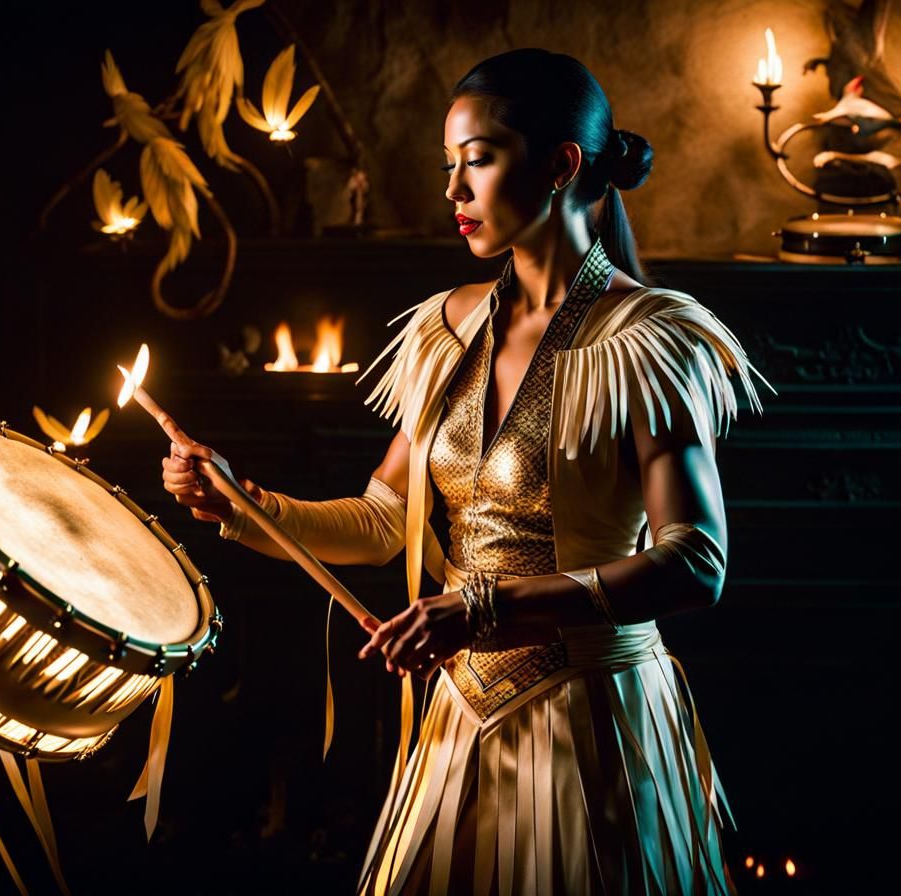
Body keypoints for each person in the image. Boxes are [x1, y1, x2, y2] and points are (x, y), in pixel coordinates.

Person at [162, 48, 766, 896]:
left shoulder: (646, 340)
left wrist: (486, 606)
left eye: (476, 161)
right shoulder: (443, 330)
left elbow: (696, 562)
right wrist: (244, 502)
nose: (453, 192)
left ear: (561, 165)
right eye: (449, 166)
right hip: (464, 722)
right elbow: (383, 521)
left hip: (593, 725)